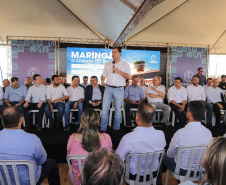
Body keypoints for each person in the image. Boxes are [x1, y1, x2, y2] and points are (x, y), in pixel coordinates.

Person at [0, 106, 60, 185]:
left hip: (2, 181)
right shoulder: (32, 139)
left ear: (3, 120)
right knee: (52, 163)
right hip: (28, 182)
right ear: (21, 120)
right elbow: (42, 160)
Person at [161, 101, 212, 180]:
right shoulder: (208, 133)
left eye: (187, 110)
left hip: (182, 171)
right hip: (201, 170)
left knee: (161, 155)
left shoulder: (180, 133)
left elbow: (170, 154)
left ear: (190, 114)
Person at [116, 103, 166, 184]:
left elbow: (117, 160)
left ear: (137, 118)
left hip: (133, 177)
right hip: (152, 175)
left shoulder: (128, 138)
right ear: (153, 118)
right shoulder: (161, 135)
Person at [67, 109, 112, 185]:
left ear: (82, 123)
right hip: (101, 181)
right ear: (98, 123)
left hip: (78, 181)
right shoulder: (106, 138)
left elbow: (69, 156)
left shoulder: (72, 138)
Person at [100, 47, 131, 135]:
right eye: (112, 52)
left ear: (120, 53)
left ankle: (116, 128)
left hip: (119, 89)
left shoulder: (125, 64)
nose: (113, 54)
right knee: (105, 110)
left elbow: (129, 77)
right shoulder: (108, 64)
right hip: (108, 88)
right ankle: (103, 129)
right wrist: (102, 80)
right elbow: (103, 75)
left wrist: (118, 71)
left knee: (118, 110)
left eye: (115, 52)